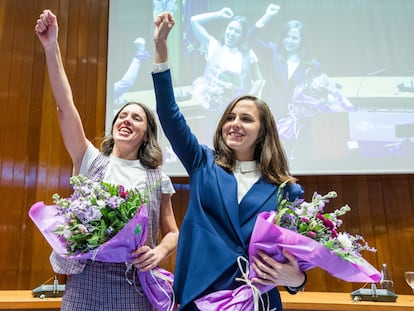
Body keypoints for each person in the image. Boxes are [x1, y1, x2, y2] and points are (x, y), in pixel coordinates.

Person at [153, 12, 307, 311]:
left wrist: (297, 279)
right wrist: (160, 47)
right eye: (230, 118)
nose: (234, 124)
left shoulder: (285, 190)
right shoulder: (202, 163)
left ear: (263, 132)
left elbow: (295, 262)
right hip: (199, 297)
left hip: (257, 300)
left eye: (246, 119)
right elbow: (169, 114)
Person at [35, 9, 179, 311]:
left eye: (136, 118)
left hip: (133, 287)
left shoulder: (157, 177)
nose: (126, 120)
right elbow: (65, 106)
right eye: (122, 115)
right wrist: (52, 47)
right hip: (84, 285)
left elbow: (173, 232)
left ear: (146, 132)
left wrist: (160, 252)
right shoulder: (89, 160)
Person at [247, 4, 318, 119]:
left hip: (298, 119)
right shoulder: (273, 51)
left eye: (294, 38)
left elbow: (314, 94)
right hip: (271, 115)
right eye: (287, 36)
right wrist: (267, 16)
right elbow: (250, 38)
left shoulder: (312, 65)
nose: (289, 41)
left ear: (302, 41)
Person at [190, 7, 264, 112]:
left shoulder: (248, 53)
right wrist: (218, 14)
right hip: (211, 108)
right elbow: (194, 21)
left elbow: (258, 79)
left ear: (242, 35)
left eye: (237, 31)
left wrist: (247, 100)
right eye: (230, 28)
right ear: (225, 29)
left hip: (236, 110)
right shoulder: (213, 45)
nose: (232, 33)